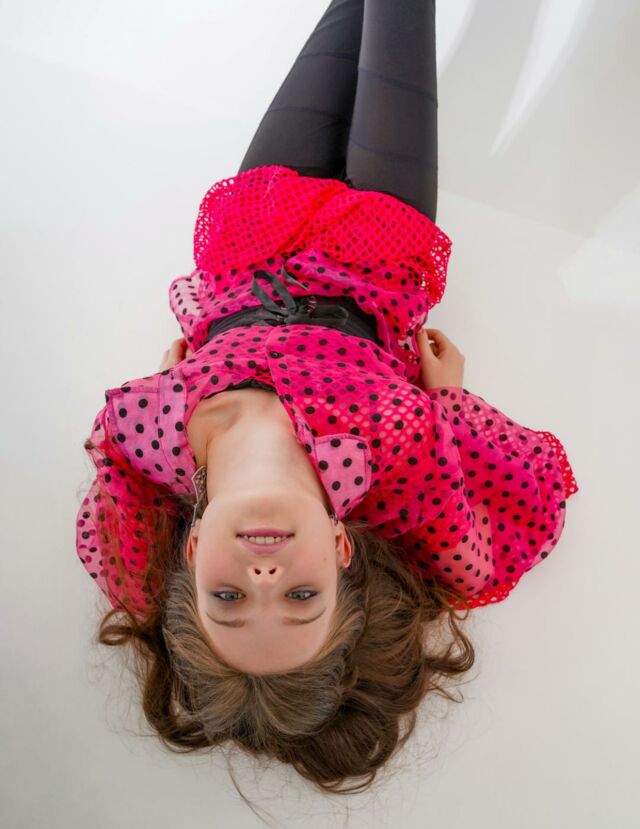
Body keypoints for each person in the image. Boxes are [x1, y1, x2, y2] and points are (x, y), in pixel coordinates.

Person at [76, 0, 578, 794]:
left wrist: (180, 367)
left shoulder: (148, 435)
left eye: (229, 596)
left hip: (253, 234)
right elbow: (491, 531)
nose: (264, 576)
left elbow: (113, 518)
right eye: (301, 596)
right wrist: (452, 401)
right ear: (342, 554)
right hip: (380, 240)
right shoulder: (390, 453)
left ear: (194, 551)